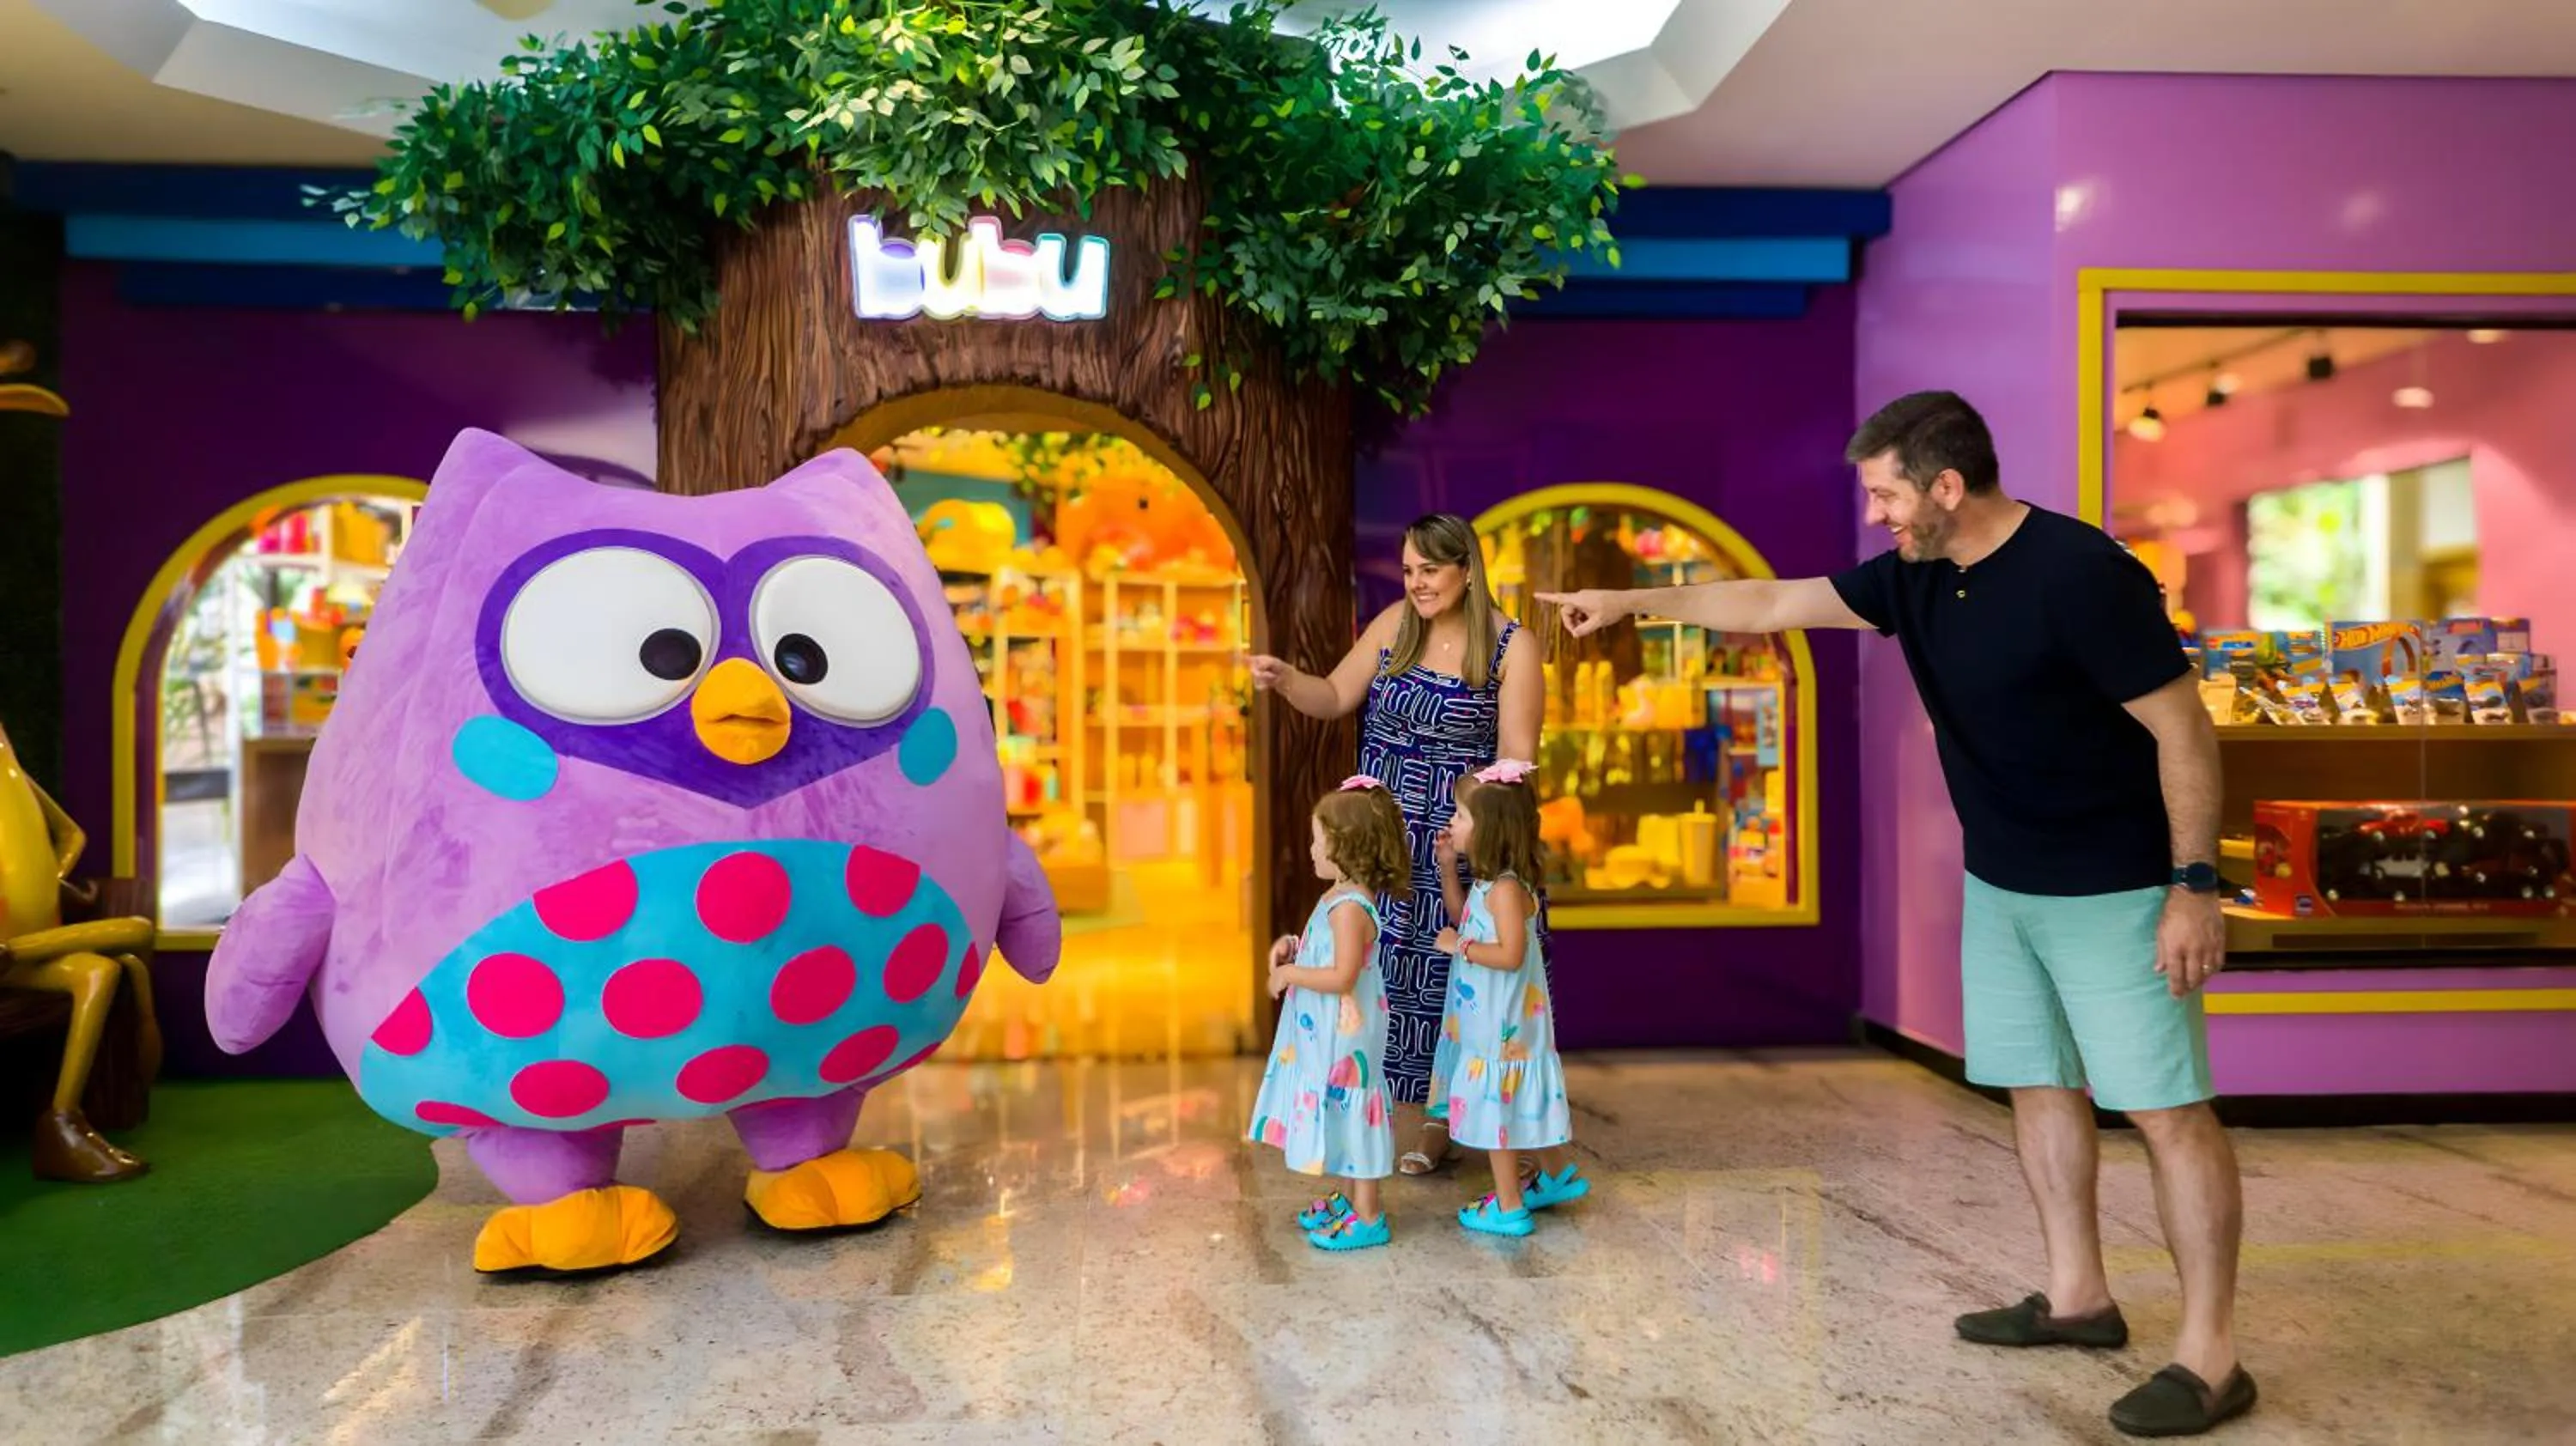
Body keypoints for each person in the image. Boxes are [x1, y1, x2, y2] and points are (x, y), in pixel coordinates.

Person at [1538, 391, 2253, 1439]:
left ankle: (2212, 1356)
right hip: (2002, 885)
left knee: (2166, 1110)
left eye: (1885, 494)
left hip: (2116, 888)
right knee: (2038, 1086)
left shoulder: (2082, 575)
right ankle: (2078, 1298)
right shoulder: (1915, 576)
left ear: (1946, 486)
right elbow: (1776, 604)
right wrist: (1630, 601)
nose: (1876, 514)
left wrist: (2192, 887)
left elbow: (2185, 734)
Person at [1249, 513, 1540, 1177]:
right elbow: (1331, 695)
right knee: (1392, 983)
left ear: (1467, 569)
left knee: (1462, 986)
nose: (1417, 584)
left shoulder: (1510, 646)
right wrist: (1288, 678)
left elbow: (1515, 763)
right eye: (1408, 571)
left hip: (1456, 839)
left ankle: (1475, 1125)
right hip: (1386, 844)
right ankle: (1403, 1121)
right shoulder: (1393, 627)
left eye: (1430, 570)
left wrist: (1482, 845)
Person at [1247, 775, 1406, 1250]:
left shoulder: (1351, 907)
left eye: (1318, 841)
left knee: (1354, 1106)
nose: (1310, 849)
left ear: (1345, 846)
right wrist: (1294, 946)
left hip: (1348, 1035)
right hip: (1330, 1035)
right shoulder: (1337, 898)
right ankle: (1353, 1199)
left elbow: (1342, 976)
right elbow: (1328, 951)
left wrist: (1291, 975)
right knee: (1341, 1105)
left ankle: (1370, 1214)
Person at [1431, 760, 1576, 1237]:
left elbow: (1510, 954)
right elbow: (1463, 915)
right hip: (1490, 1020)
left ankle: (1509, 1204)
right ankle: (1556, 1175)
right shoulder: (1489, 885)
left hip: (1504, 1027)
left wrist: (1461, 947)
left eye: (1461, 816)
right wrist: (1449, 870)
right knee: (1516, 1099)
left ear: (1490, 828)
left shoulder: (1508, 889)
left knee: (1499, 1105)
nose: (1452, 821)